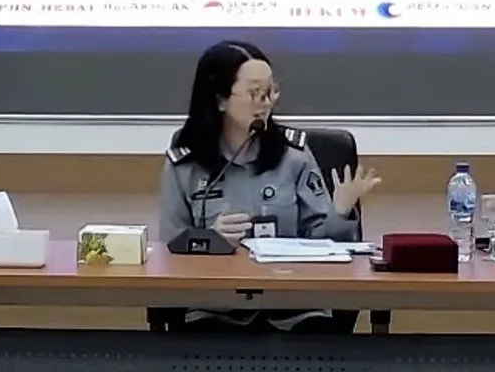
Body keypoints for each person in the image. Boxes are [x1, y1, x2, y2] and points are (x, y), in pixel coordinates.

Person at [158, 40, 381, 332]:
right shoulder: (185, 163)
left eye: (270, 92)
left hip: (295, 311)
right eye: (254, 93)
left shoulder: (294, 156)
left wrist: (339, 213)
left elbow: (325, 245)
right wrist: (210, 239)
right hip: (215, 311)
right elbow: (169, 249)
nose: (264, 103)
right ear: (220, 100)